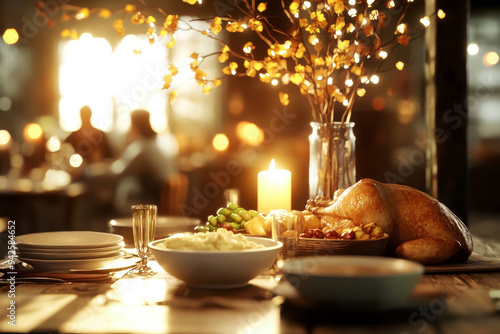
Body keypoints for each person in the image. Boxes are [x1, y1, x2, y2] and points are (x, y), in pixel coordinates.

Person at [111, 109, 178, 215]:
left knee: (110, 203)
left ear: (135, 126)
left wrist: (89, 171)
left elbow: (118, 173)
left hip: (148, 205)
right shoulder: (156, 145)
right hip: (156, 202)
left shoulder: (141, 148)